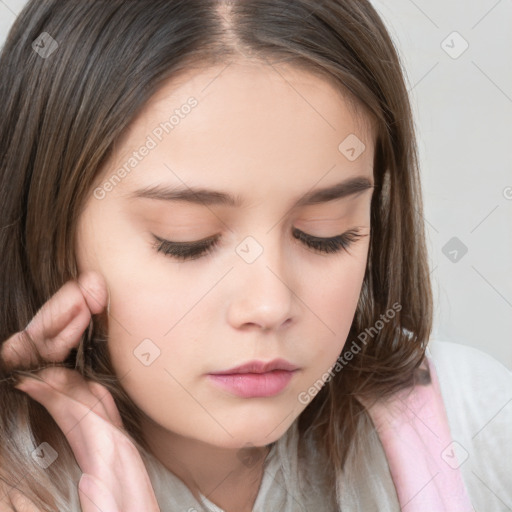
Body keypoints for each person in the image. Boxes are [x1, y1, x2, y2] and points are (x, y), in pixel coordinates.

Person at [0, 1, 510, 511]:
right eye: (187, 239)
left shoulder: (474, 426)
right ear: (47, 227)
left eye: (324, 233)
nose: (269, 305)